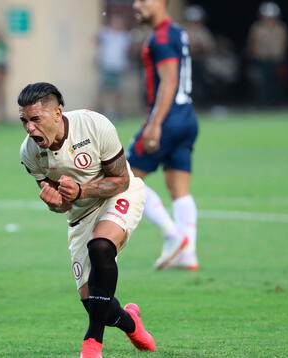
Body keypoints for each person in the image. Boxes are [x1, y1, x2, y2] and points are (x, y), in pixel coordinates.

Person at [18, 82, 156, 357]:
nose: (30, 128)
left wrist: (82, 190)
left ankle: (92, 343)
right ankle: (131, 322)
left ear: (57, 114)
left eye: (36, 119)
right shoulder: (30, 154)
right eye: (24, 121)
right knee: (95, 303)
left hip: (119, 194)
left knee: (101, 245)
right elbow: (62, 204)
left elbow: (120, 179)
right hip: (81, 214)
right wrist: (57, 203)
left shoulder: (93, 124)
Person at [128, 0, 199, 270]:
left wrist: (155, 123)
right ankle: (188, 253)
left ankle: (173, 235)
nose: (137, 5)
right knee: (179, 189)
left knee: (125, 178)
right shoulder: (178, 31)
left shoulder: (160, 38)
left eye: (144, 0)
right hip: (187, 117)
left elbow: (169, 81)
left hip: (167, 119)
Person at [247, 2, 288, 106]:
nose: (269, 19)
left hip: (277, 60)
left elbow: (284, 44)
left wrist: (281, 58)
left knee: (276, 83)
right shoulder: (257, 28)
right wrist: (255, 56)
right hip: (262, 60)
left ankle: (275, 104)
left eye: (272, 17)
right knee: (263, 84)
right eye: (267, 17)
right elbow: (252, 43)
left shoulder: (281, 28)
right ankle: (263, 104)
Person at [95, 14, 131, 120]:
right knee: (104, 89)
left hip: (119, 66)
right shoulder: (105, 33)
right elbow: (95, 40)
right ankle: (102, 111)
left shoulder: (124, 36)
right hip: (106, 65)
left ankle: (117, 111)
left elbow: (128, 51)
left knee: (118, 91)